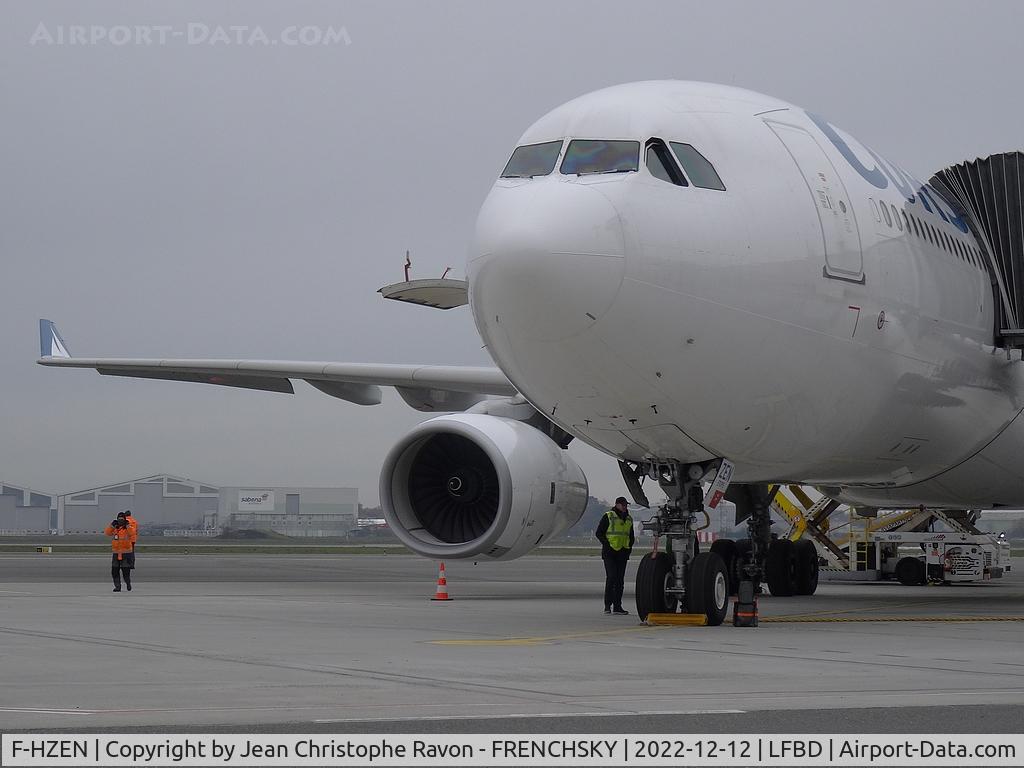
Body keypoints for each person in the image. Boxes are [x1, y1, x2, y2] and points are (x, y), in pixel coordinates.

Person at [596, 496, 634, 615]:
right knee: (611, 577)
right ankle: (607, 605)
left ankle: (617, 606)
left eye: (626, 505)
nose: (625, 507)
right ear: (617, 504)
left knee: (619, 580)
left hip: (622, 552)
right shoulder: (609, 516)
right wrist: (606, 544)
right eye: (623, 505)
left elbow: (630, 536)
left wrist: (629, 548)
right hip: (610, 552)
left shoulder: (628, 518)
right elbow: (599, 533)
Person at [104, 518, 133, 592]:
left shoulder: (127, 528)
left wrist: (127, 526)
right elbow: (107, 533)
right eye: (119, 519)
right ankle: (117, 586)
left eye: (122, 519)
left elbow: (132, 533)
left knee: (125, 572)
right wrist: (112, 526)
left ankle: (128, 583)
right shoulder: (115, 528)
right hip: (116, 554)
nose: (120, 521)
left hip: (126, 554)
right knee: (114, 571)